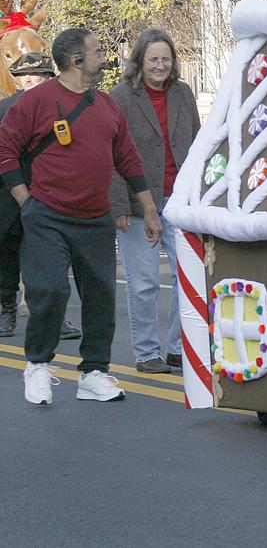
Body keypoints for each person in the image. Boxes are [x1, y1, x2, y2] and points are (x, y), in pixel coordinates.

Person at [0, 27, 163, 405]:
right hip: (47, 216)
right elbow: (5, 150)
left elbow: (129, 160)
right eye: (97, 52)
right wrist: (26, 202)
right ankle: (38, 365)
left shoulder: (106, 105)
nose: (104, 58)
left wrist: (150, 210)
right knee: (50, 289)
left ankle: (94, 373)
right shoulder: (36, 102)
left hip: (95, 219)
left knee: (101, 299)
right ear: (77, 61)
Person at [110, 29, 200, 374]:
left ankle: (179, 347)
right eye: (153, 60)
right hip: (136, 205)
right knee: (144, 282)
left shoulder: (183, 93)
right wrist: (118, 204)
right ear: (140, 62)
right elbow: (111, 153)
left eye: (166, 59)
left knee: (187, 275)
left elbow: (196, 142)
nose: (160, 66)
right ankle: (147, 352)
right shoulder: (121, 97)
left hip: (179, 200)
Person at [0, 53, 82, 340]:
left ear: (50, 77)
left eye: (36, 74)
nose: (29, 80)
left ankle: (55, 317)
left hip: (52, 194)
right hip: (9, 197)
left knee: (51, 260)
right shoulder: (4, 109)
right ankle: (6, 312)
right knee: (7, 257)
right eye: (22, 76)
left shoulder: (65, 108)